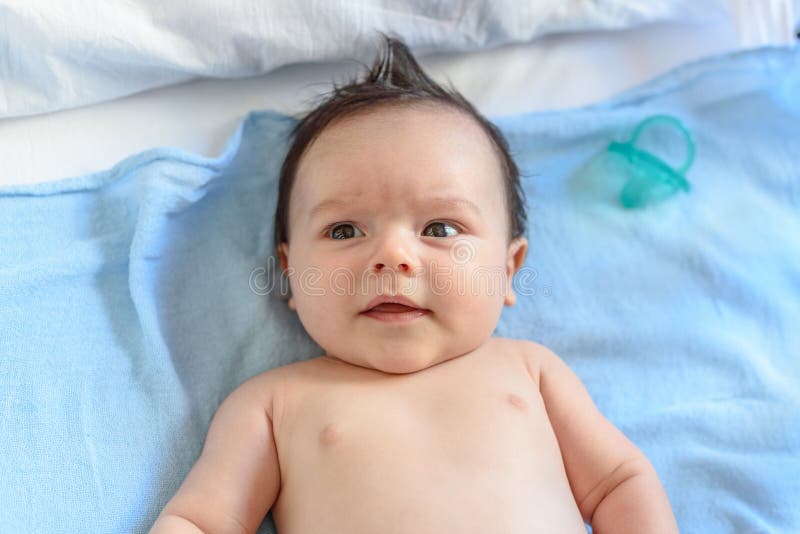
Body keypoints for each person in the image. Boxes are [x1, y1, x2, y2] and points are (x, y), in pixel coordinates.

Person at [151, 36, 679, 534]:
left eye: (440, 229)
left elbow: (617, 482)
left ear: (507, 269)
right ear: (291, 272)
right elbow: (201, 520)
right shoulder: (272, 405)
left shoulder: (531, 372)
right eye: (344, 230)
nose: (393, 257)